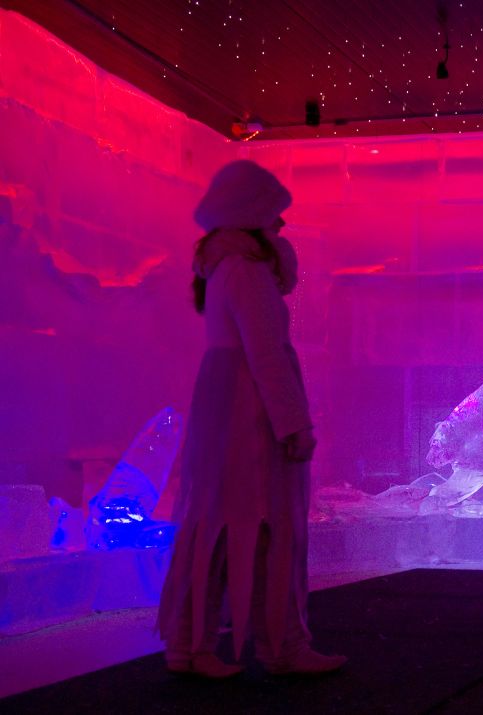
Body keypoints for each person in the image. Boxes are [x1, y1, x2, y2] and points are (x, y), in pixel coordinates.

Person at [157, 160, 345, 678]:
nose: (280, 224)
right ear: (251, 215)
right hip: (248, 407)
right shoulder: (245, 270)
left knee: (216, 517)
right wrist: (293, 424)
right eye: (272, 213)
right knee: (264, 518)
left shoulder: (223, 267)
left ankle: (191, 644)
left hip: (227, 399)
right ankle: (278, 643)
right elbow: (266, 350)